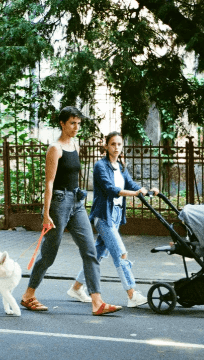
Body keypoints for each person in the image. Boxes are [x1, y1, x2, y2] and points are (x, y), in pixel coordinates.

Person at [20, 106, 122, 316]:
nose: (76, 127)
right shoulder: (55, 149)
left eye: (78, 123)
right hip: (59, 203)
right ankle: (28, 295)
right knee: (49, 254)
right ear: (62, 123)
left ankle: (97, 302)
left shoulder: (74, 145)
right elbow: (49, 183)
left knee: (90, 251)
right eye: (72, 123)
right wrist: (46, 214)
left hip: (77, 202)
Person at [67, 131, 159, 307]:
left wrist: (146, 190)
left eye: (119, 144)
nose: (116, 147)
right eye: (113, 144)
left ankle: (76, 288)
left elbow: (130, 184)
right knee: (120, 253)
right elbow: (110, 189)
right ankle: (131, 294)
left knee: (97, 254)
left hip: (116, 214)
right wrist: (134, 193)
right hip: (103, 215)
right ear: (106, 146)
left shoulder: (121, 166)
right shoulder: (100, 166)